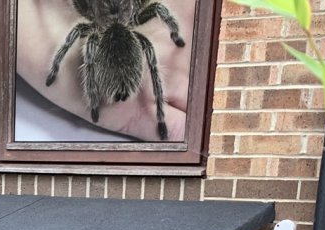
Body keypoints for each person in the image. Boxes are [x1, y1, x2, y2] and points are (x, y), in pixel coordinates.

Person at [13, 0, 194, 142]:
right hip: (125, 43)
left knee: (87, 42)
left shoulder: (89, 26)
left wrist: (55, 68)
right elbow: (159, 10)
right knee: (152, 55)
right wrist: (175, 35)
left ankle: (94, 104)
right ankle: (160, 116)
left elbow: (72, 36)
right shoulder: (140, 15)